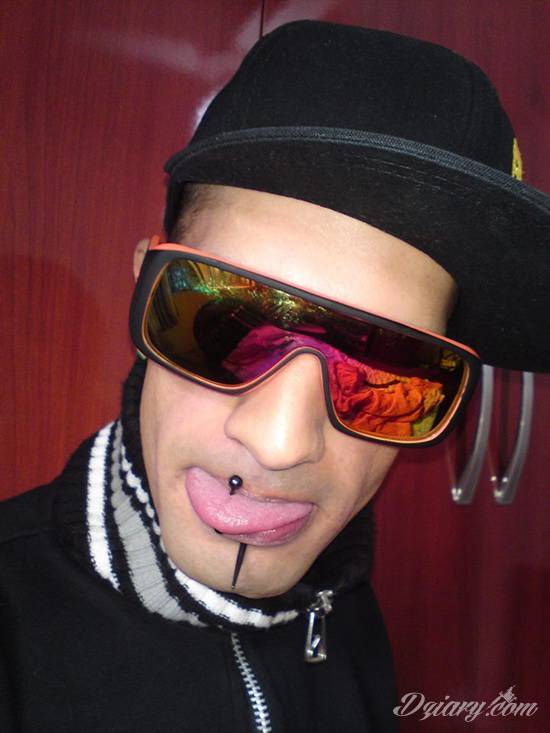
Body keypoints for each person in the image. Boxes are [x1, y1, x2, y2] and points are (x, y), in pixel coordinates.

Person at [1, 19, 549, 733]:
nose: (280, 442)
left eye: (388, 371)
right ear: (145, 293)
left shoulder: (345, 607)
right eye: (223, 322)